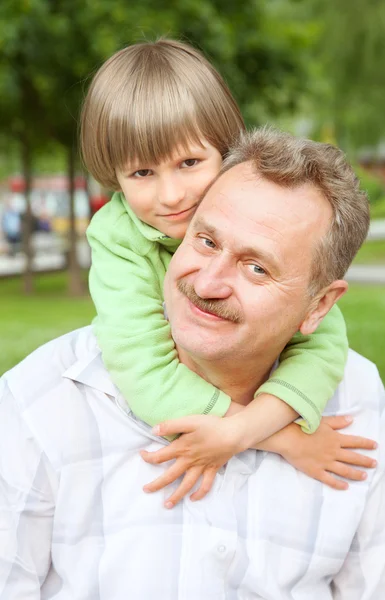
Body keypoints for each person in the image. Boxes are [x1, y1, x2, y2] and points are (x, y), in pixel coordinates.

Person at [1, 127, 385, 599]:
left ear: (318, 307)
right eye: (206, 242)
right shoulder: (41, 401)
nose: (209, 283)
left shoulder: (357, 402)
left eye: (257, 268)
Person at [81, 40, 349, 505]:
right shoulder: (118, 238)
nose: (171, 195)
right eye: (142, 173)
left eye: (189, 163)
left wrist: (245, 426)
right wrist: (275, 436)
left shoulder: (259, 214)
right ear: (115, 178)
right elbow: (141, 371)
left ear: (227, 151)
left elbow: (323, 344)